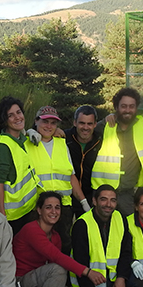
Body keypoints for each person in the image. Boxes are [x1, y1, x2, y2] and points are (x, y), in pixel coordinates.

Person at [13, 191, 107, 287]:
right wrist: (87, 272)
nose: (54, 211)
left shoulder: (55, 236)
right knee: (57, 268)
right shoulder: (31, 230)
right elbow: (56, 257)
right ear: (39, 210)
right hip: (21, 282)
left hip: (42, 285)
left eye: (57, 207)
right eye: (48, 207)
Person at [25, 105, 90, 253]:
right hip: (37, 208)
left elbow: (70, 176)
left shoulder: (62, 144)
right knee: (37, 249)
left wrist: (84, 202)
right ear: (36, 121)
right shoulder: (27, 143)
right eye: (45, 121)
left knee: (63, 246)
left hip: (63, 208)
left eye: (53, 123)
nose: (49, 126)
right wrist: (29, 132)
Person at [91, 88, 143, 217]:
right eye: (123, 106)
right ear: (116, 107)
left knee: (128, 230)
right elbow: (83, 132)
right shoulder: (105, 125)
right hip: (105, 193)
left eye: (131, 106)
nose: (128, 110)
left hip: (128, 193)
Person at [0, 96, 41, 234]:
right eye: (10, 115)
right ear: (4, 120)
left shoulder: (22, 139)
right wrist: (2, 215)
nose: (17, 117)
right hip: (13, 216)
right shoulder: (4, 146)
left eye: (19, 112)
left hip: (27, 209)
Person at [67, 105, 103, 221]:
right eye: (82, 123)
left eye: (89, 124)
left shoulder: (101, 142)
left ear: (95, 124)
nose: (85, 127)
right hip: (67, 196)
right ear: (75, 123)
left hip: (90, 196)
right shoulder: (64, 138)